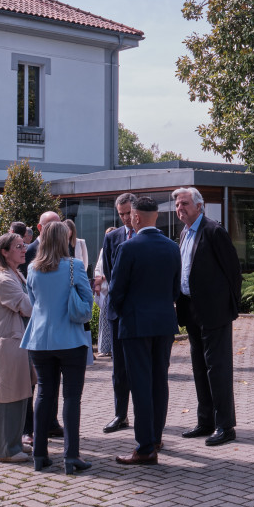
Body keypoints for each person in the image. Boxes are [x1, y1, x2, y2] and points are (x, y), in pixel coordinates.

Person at [108, 196, 180, 465]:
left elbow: (116, 291)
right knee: (159, 381)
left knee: (140, 384)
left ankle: (145, 446)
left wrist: (121, 313)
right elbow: (175, 289)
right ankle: (155, 437)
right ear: (157, 217)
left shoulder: (129, 248)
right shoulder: (173, 248)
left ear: (136, 217)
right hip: (163, 323)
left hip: (135, 324)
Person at [20, 221, 94, 473]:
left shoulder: (32, 268)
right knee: (71, 398)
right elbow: (87, 299)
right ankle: (71, 456)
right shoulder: (75, 266)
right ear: (63, 240)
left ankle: (40, 455)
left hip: (39, 340)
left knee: (43, 395)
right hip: (70, 339)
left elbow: (33, 300)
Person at [173, 187, 241, 447]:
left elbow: (233, 271)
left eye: (185, 204)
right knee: (199, 368)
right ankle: (206, 421)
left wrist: (229, 306)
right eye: (178, 205)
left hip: (215, 312)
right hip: (190, 310)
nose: (181, 209)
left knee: (218, 368)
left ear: (199, 206)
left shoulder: (213, 231)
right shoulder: (184, 233)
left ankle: (225, 425)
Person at [0, 232, 34, 464]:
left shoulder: (15, 273)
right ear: (4, 252)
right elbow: (27, 306)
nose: (23, 249)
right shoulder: (4, 279)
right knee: (8, 395)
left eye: (23, 245)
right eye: (18, 246)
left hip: (18, 341)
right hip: (9, 342)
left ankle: (15, 442)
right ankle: (6, 449)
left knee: (20, 393)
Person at [93, 192, 136, 434]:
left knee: (141, 368)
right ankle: (120, 414)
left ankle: (145, 414)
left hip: (140, 313)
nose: (126, 218)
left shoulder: (148, 236)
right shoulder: (112, 238)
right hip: (117, 312)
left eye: (129, 212)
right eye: (121, 214)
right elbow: (110, 274)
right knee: (118, 368)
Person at [94, 227, 117, 356]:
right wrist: (97, 283)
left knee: (111, 319)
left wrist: (103, 278)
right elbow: (98, 267)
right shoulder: (103, 250)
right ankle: (104, 348)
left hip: (110, 287)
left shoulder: (118, 247)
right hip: (103, 288)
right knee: (103, 319)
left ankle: (113, 348)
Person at [23, 210, 60, 275]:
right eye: (51, 226)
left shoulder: (63, 249)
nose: (56, 231)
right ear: (39, 227)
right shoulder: (28, 251)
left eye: (59, 227)